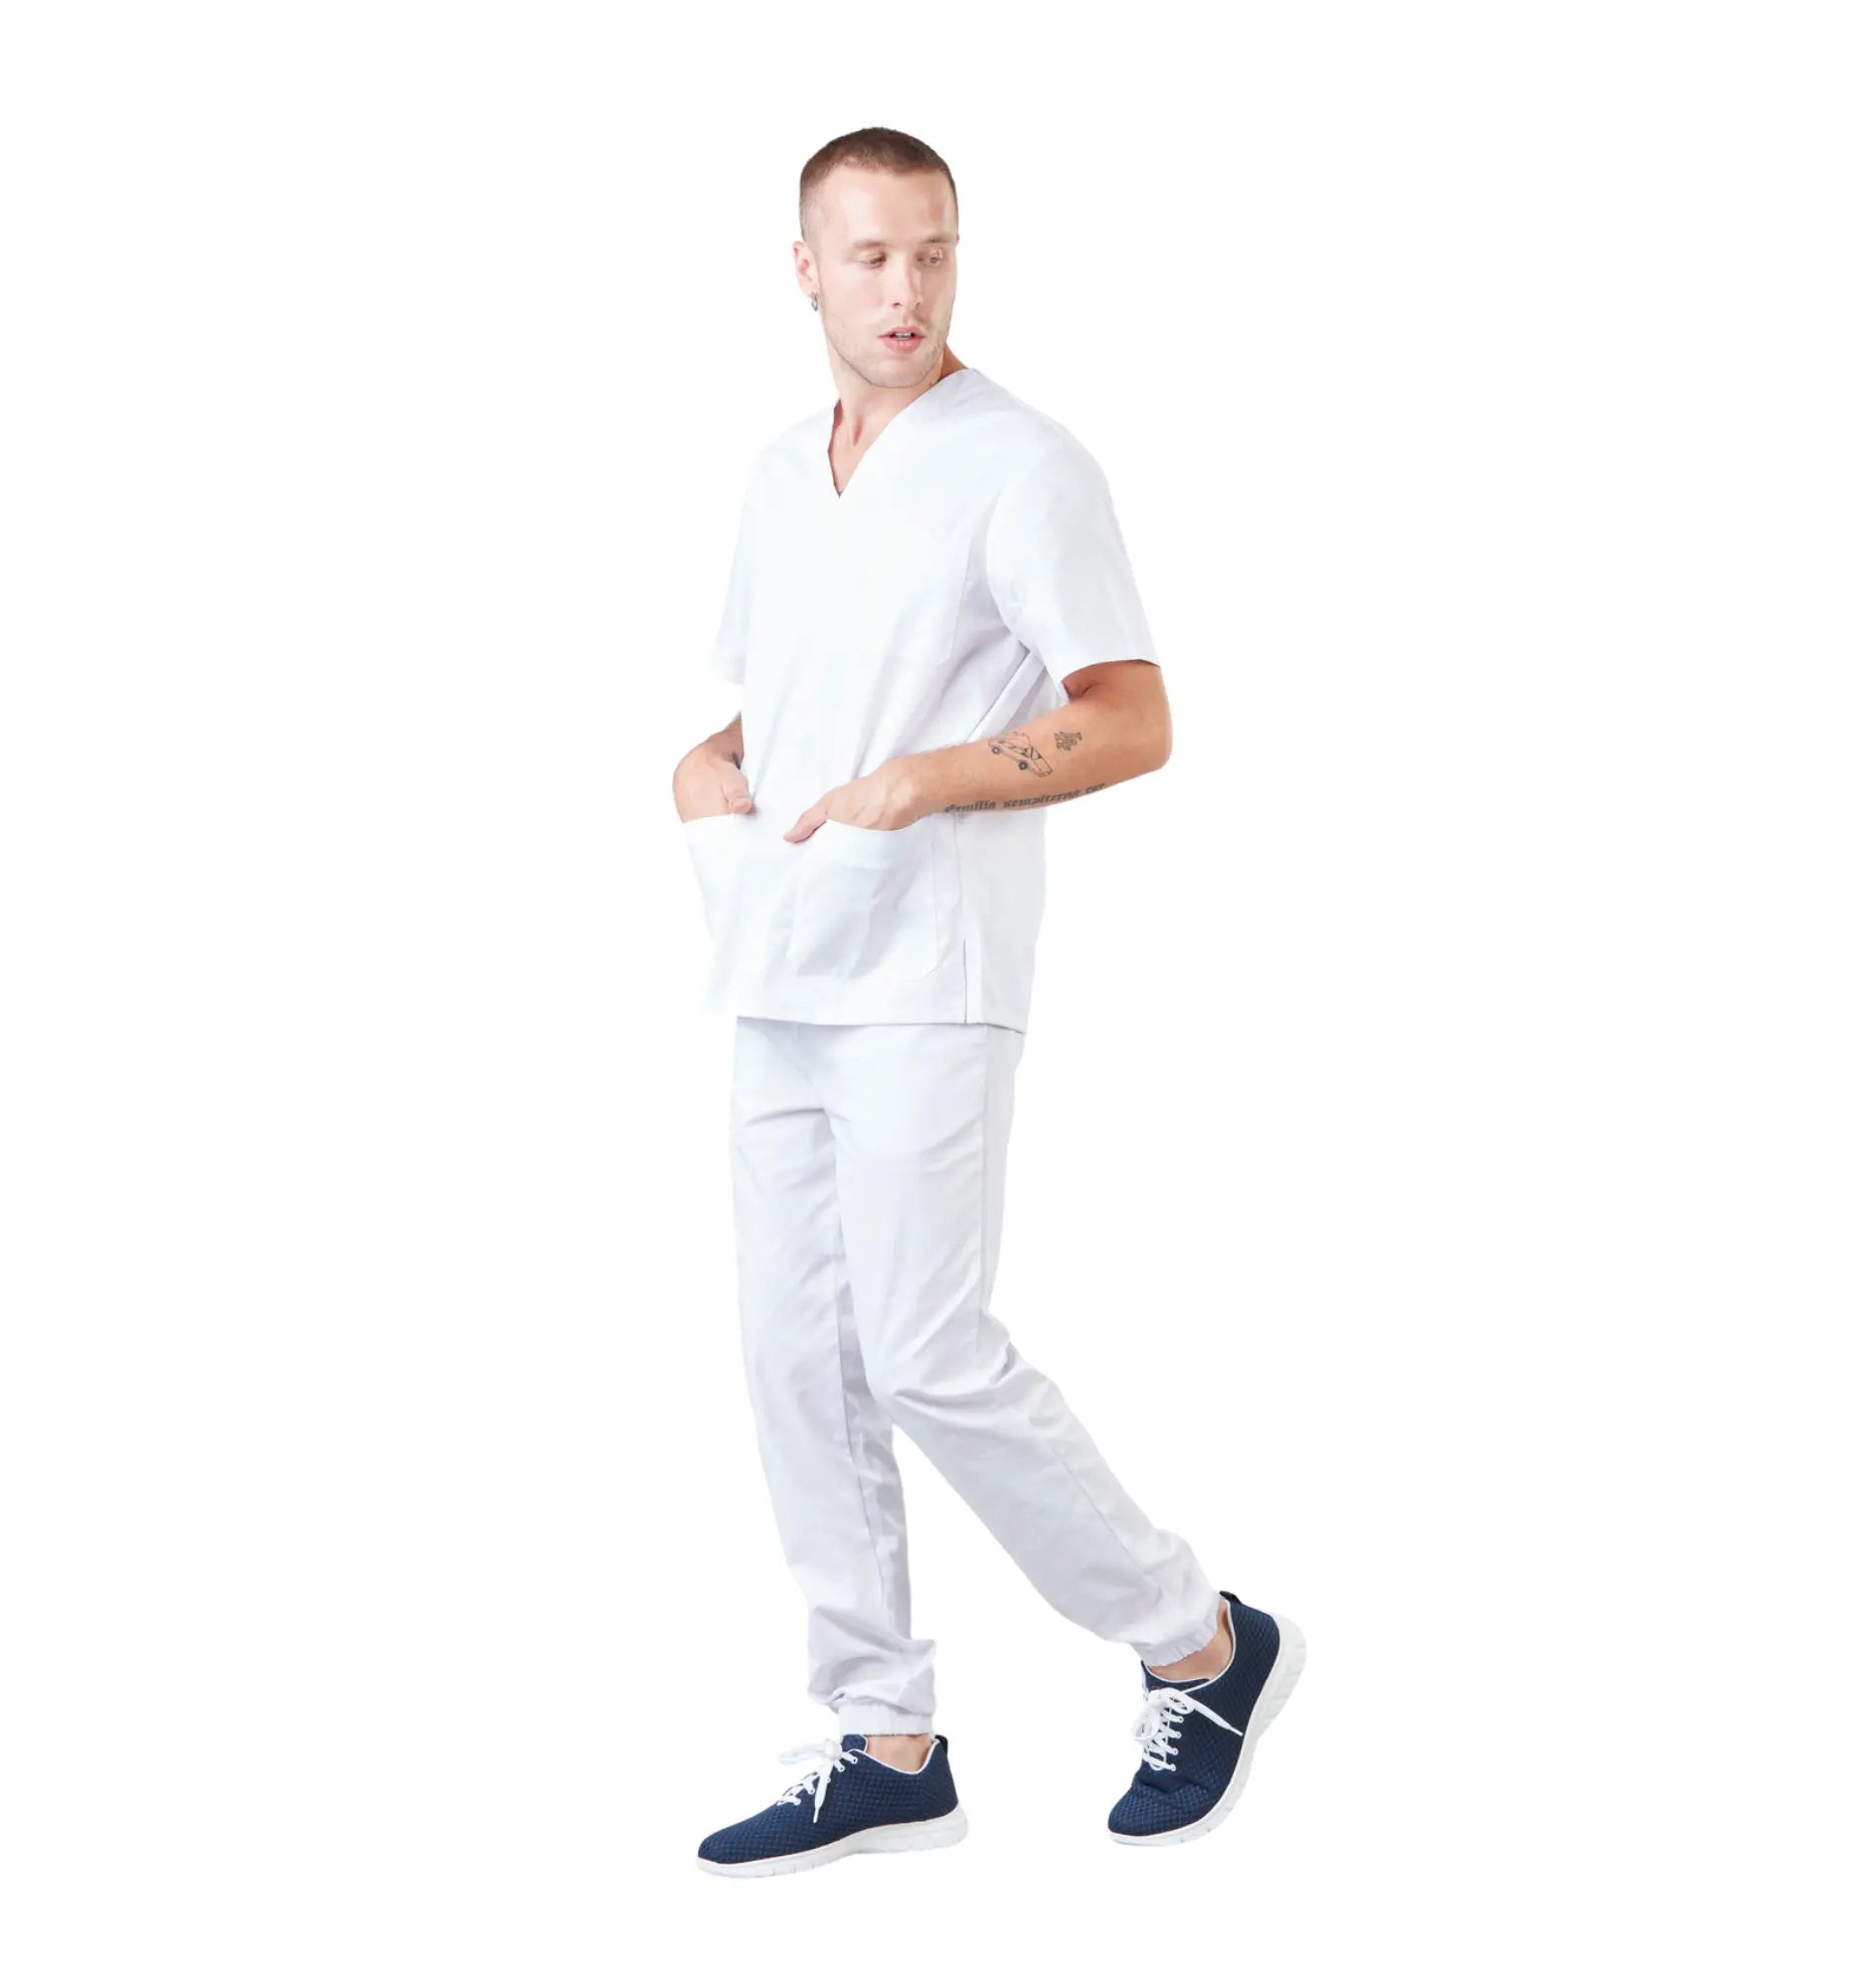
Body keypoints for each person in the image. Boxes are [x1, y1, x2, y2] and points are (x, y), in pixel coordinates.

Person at [677, 128, 1304, 1879]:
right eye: (872, 257)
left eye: (934, 253)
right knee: (793, 1359)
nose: (907, 290)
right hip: (777, 958)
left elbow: (1132, 715)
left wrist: (935, 777)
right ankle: (884, 1732)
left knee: (926, 1352)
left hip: (928, 972)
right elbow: (785, 699)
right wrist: (704, 764)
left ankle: (1200, 1641)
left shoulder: (1023, 464)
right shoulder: (778, 476)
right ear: (806, 268)